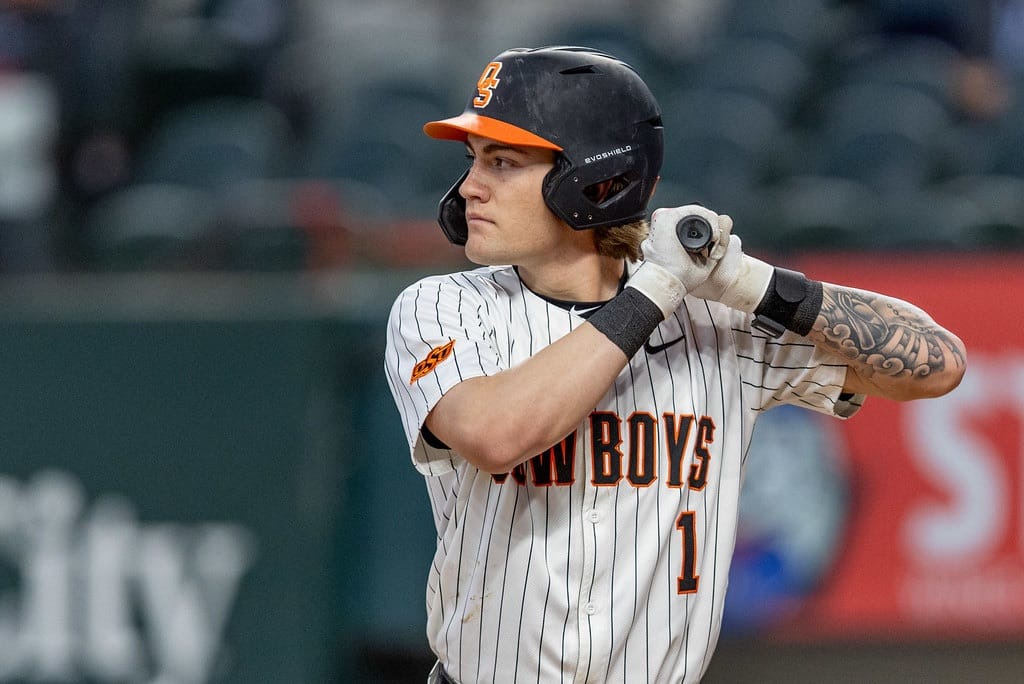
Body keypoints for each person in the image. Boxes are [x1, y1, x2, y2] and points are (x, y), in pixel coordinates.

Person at [383, 46, 966, 684]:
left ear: (595, 181)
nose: (470, 186)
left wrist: (748, 282)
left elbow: (937, 364)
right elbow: (498, 436)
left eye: (504, 162)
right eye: (473, 160)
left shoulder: (715, 322)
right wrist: (656, 290)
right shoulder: (442, 306)